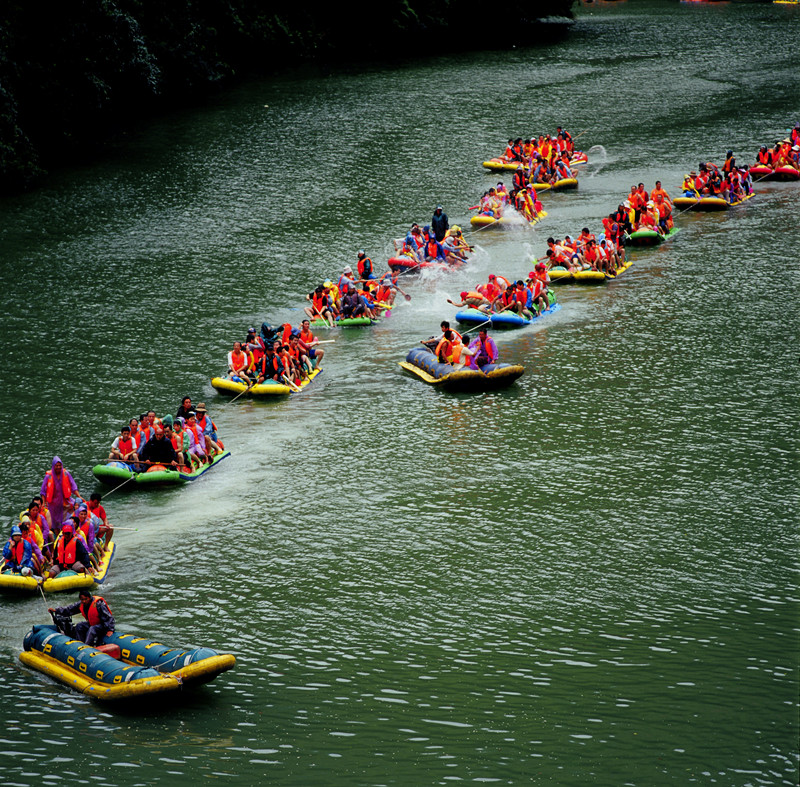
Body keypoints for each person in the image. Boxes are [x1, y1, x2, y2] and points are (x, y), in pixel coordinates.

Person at [49, 589, 115, 647]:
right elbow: (70, 609)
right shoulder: (82, 604)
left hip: (102, 625)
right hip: (93, 624)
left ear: (89, 598)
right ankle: (80, 644)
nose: (84, 601)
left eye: (85, 599)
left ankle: (87, 646)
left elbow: (108, 617)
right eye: (82, 599)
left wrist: (110, 629)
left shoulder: (98, 604)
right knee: (79, 626)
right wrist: (56, 610)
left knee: (92, 629)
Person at [40, 457, 78, 534]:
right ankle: (57, 536)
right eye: (56, 465)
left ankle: (65, 533)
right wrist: (43, 503)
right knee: (55, 523)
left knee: (65, 519)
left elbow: (73, 485)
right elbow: (43, 491)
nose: (58, 467)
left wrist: (79, 496)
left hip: (64, 502)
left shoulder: (66, 474)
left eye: (60, 465)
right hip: (53, 504)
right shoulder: (48, 476)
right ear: (53, 466)